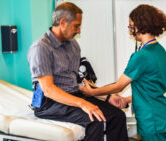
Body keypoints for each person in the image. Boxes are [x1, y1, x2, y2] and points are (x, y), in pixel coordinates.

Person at [27, 2, 128, 141]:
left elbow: (79, 84)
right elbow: (49, 90)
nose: (79, 30)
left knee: (117, 116)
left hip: (74, 95)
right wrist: (83, 104)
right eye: (76, 25)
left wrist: (108, 98)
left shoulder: (73, 45)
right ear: (62, 22)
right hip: (49, 102)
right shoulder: (41, 48)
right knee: (95, 119)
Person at [79, 4, 166, 141]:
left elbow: (118, 86)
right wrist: (126, 99)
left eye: (131, 26)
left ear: (140, 26)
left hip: (150, 118)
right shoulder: (160, 51)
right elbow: (150, 87)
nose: (130, 30)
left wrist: (91, 92)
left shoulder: (141, 56)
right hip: (160, 113)